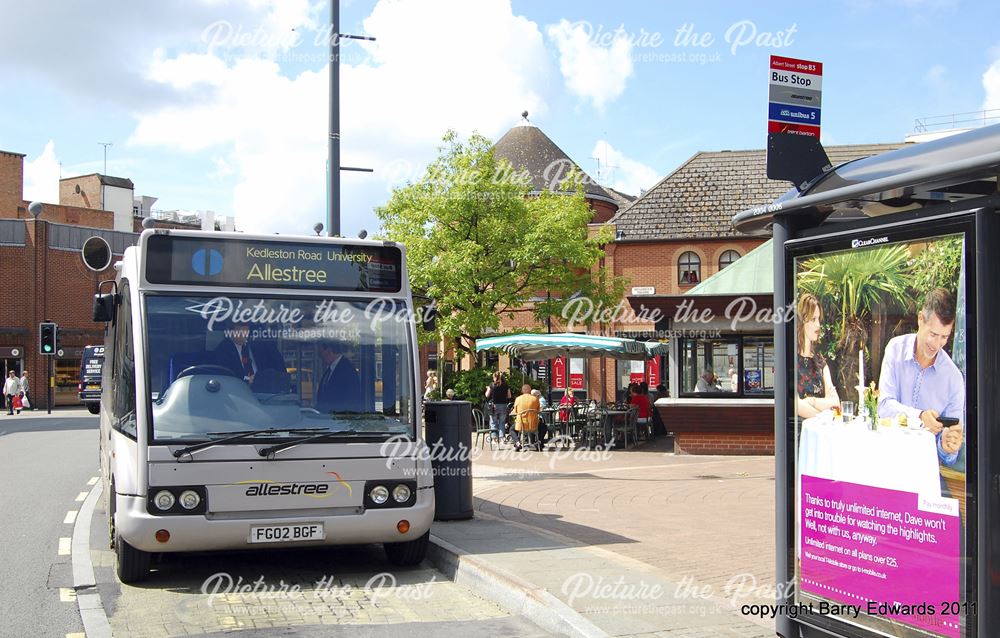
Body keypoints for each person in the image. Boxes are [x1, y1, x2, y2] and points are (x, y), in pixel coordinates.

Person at [878, 288, 964, 465]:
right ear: (920, 320)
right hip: (885, 458)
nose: (937, 344)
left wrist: (948, 446)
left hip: (924, 471)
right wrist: (920, 417)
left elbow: (949, 456)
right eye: (933, 334)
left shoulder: (954, 379)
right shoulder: (895, 350)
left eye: (944, 337)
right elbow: (884, 406)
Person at [795, 293, 841, 418]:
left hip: (820, 432)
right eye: (813, 319)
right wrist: (823, 417)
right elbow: (796, 405)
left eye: (818, 319)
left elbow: (835, 402)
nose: (818, 325)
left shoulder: (820, 362)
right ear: (801, 322)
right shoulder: (789, 360)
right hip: (799, 434)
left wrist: (811, 401)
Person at [214, 322, 286, 390]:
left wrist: (263, 377)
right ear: (229, 331)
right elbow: (226, 377)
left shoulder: (261, 345)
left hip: (265, 392)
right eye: (239, 329)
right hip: (238, 393)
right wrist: (247, 380)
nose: (243, 333)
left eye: (246, 329)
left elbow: (279, 369)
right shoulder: (223, 350)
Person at [315, 341, 363, 413]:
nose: (320, 356)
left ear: (329, 351)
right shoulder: (331, 370)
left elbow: (349, 398)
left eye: (321, 353)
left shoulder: (347, 370)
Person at [510, 384, 541, 451]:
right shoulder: (535, 399)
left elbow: (515, 411)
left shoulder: (518, 399)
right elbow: (538, 410)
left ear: (522, 391)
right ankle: (539, 443)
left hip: (521, 425)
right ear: (530, 391)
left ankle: (517, 443)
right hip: (533, 425)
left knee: (512, 429)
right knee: (543, 427)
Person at [484, 372, 510, 444]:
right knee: (502, 422)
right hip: (503, 405)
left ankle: (494, 439)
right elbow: (509, 396)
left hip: (494, 406)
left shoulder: (492, 385)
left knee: (493, 422)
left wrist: (488, 389)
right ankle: (502, 438)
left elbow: (487, 395)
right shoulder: (505, 385)